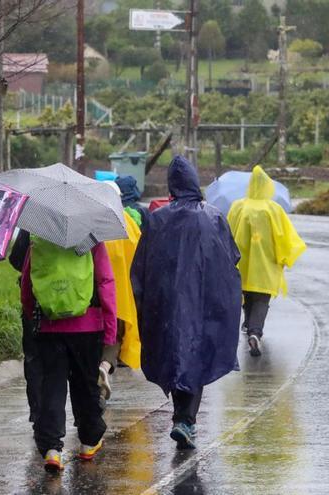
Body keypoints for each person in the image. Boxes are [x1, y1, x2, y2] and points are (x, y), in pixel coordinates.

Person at [131, 156, 242, 450]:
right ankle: (186, 420)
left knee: (175, 354)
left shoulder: (157, 219)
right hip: (206, 302)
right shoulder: (214, 217)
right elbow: (232, 258)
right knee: (198, 357)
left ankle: (182, 418)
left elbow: (141, 266)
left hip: (165, 303)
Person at [20, 236, 117, 473]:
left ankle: (52, 448)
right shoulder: (91, 239)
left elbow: (26, 285)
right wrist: (110, 328)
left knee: (51, 386)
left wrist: (35, 316)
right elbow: (105, 281)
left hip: (49, 327)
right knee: (85, 385)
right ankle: (88, 442)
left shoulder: (40, 239)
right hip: (88, 325)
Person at [227, 166, 306, 357]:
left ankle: (248, 324)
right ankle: (255, 332)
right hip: (266, 265)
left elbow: (226, 231)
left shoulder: (238, 206)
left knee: (247, 294)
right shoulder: (274, 209)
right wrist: (285, 257)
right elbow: (285, 236)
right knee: (262, 299)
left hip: (242, 263)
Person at [102, 209, 142, 390]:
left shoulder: (88, 218)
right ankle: (105, 365)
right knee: (115, 335)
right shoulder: (126, 222)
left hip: (90, 294)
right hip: (119, 294)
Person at [8, 230, 43, 423]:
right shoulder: (81, 220)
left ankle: (38, 412)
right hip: (71, 306)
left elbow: (15, 259)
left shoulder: (34, 220)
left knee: (34, 359)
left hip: (35, 305)